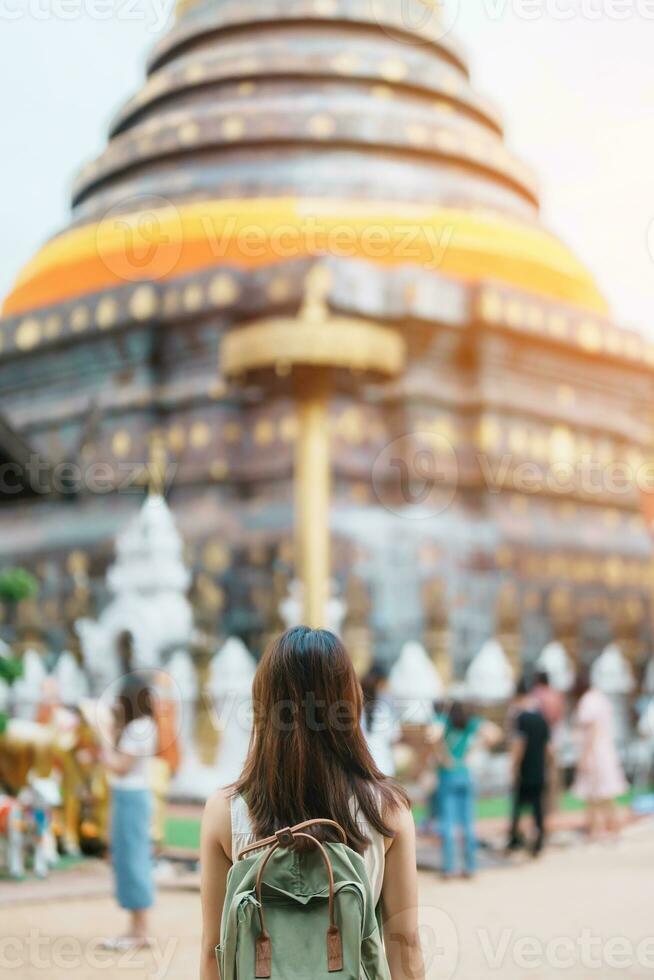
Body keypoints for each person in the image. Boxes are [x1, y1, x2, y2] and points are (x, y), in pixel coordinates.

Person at [200, 627, 424, 980]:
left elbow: (215, 950)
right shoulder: (387, 810)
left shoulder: (225, 811)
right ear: (350, 702)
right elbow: (405, 942)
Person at [101, 673, 158, 949]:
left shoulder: (140, 727)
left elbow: (119, 765)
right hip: (128, 795)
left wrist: (102, 739)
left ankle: (140, 930)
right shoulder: (137, 726)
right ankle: (135, 928)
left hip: (132, 795)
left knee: (133, 859)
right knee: (126, 859)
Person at [432, 700, 501, 879]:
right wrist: (474, 748)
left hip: (448, 775)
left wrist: (442, 755)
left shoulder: (444, 721)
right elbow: (495, 734)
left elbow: (432, 735)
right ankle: (470, 866)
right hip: (465, 773)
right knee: (468, 824)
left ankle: (449, 868)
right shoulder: (470, 723)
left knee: (448, 824)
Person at [572, 668, 627, 839]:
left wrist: (585, 756)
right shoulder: (600, 698)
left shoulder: (587, 701)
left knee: (594, 795)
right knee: (605, 794)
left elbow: (592, 730)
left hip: (596, 753)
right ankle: (611, 829)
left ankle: (595, 831)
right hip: (605, 750)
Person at [507, 678, 551, 856]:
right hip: (539, 767)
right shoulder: (541, 717)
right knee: (537, 806)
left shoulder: (521, 718)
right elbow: (549, 748)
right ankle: (539, 840)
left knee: (518, 806)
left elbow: (519, 744)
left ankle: (515, 839)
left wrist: (514, 766)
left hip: (525, 770)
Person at [361, 662, 401, 777]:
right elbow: (394, 736)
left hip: (363, 768)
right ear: (381, 683)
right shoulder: (385, 708)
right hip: (383, 767)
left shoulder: (354, 706)